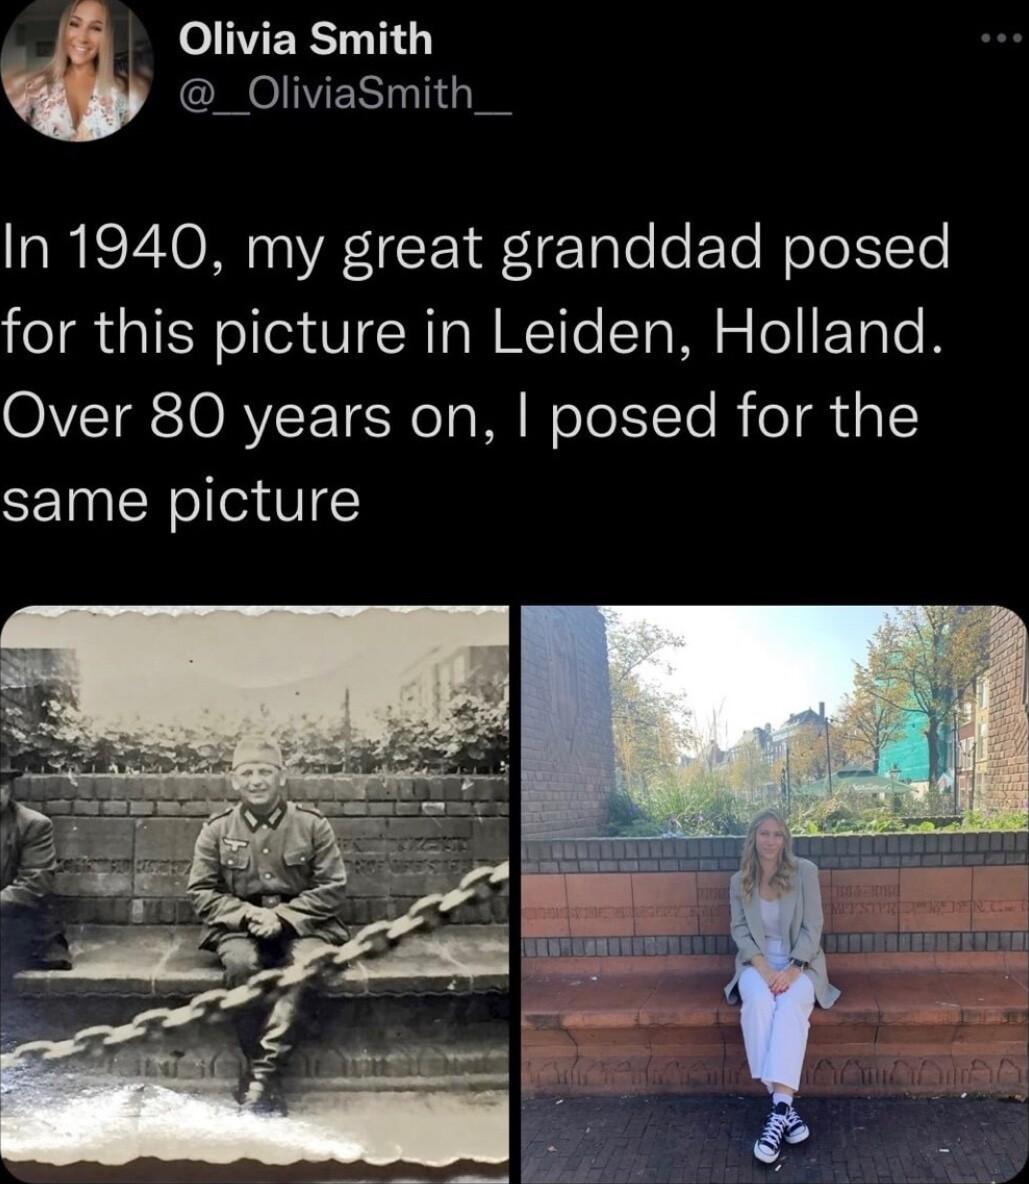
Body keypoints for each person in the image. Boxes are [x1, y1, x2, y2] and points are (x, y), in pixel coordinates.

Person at [186, 736, 349, 1114]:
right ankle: (255, 1067)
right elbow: (201, 891)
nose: (256, 780)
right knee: (242, 967)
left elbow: (333, 887)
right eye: (247, 773)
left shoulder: (311, 825)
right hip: (239, 927)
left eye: (265, 771)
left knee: (306, 968)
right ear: (234, 781)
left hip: (306, 924)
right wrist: (246, 915)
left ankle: (266, 1075)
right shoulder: (216, 829)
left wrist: (283, 919)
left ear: (281, 777)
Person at [723, 808, 840, 1164]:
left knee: (790, 1008)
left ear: (785, 839)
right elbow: (740, 931)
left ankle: (777, 1113)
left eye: (777, 834)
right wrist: (762, 967)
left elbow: (813, 926)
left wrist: (792, 969)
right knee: (757, 1006)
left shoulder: (804, 872)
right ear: (753, 838)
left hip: (800, 964)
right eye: (764, 833)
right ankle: (784, 1110)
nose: (771, 840)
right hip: (756, 964)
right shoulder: (740, 880)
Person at [8, 0, 130, 142]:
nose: (82, 38)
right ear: (63, 29)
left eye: (96, 28)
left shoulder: (121, 92)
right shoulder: (33, 87)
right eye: (74, 24)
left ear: (106, 38)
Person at [1, 763, 72, 999]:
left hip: (18, 919)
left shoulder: (33, 825)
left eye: (1, 785)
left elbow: (33, 886)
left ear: (10, 789)